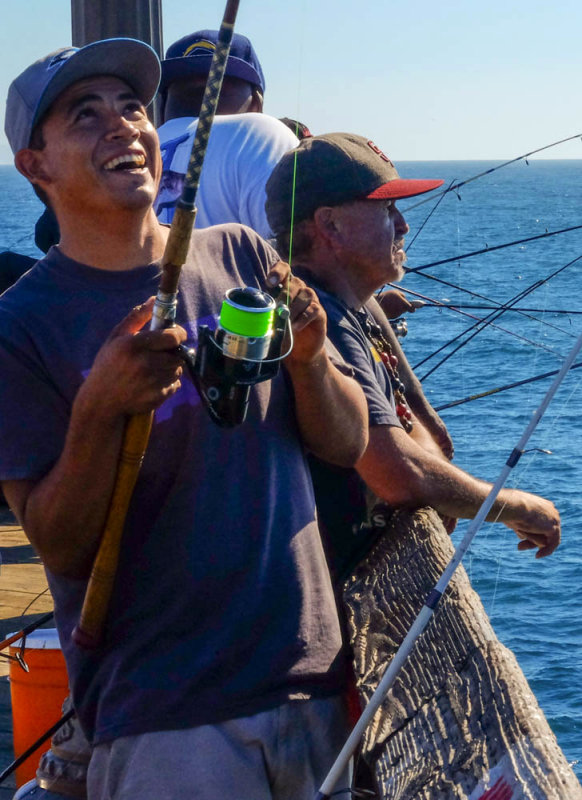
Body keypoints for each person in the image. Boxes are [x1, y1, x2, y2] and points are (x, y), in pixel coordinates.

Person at [0, 42, 370, 800]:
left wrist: (310, 359)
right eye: (85, 115)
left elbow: (347, 441)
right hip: (167, 718)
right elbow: (60, 543)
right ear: (35, 166)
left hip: (314, 686)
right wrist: (100, 407)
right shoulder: (18, 329)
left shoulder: (240, 254)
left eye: (133, 107)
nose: (123, 126)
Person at [265, 132, 561, 576]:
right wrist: (513, 506)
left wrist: (439, 480)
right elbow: (395, 470)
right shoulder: (320, 322)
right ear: (329, 225)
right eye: (387, 209)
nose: (402, 224)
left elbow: (410, 432)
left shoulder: (349, 306)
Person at [155, 29, 299, 238]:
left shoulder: (131, 148)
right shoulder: (260, 134)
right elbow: (298, 256)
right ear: (257, 104)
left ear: (161, 108)